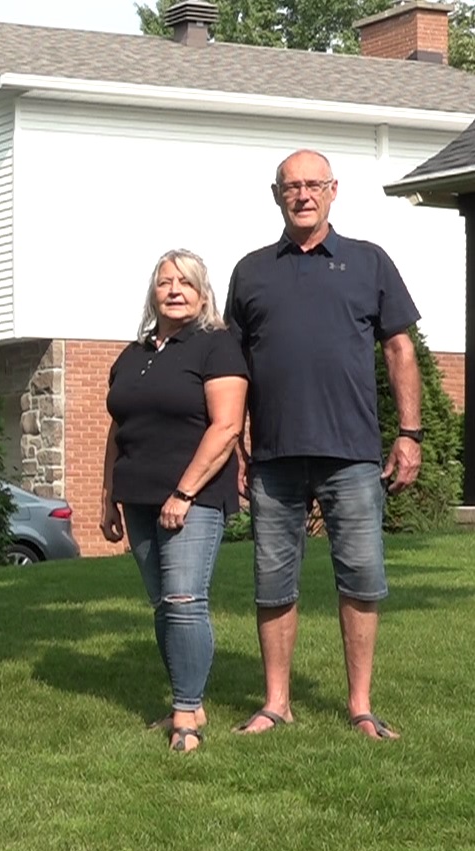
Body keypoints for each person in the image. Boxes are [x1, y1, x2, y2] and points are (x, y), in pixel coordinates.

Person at [224, 149, 423, 741]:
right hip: (274, 457)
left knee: (361, 578)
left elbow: (399, 350)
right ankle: (276, 702)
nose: (303, 195)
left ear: (334, 190)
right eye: (292, 187)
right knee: (272, 580)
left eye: (314, 185)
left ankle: (360, 704)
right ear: (276, 195)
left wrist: (409, 435)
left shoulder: (369, 262)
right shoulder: (251, 271)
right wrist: (235, 442)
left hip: (353, 455)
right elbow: (232, 369)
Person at [100, 251, 249, 753]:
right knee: (163, 604)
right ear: (153, 293)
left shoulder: (217, 347)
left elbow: (226, 426)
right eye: (165, 283)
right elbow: (117, 429)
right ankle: (189, 700)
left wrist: (184, 493)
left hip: (195, 494)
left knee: (184, 601)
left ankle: (186, 714)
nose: (174, 290)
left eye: (185, 283)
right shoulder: (132, 355)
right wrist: (107, 497)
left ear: (203, 294)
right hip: (137, 494)